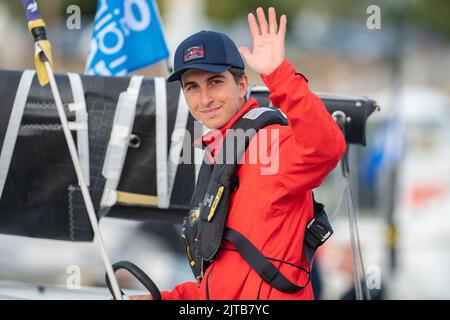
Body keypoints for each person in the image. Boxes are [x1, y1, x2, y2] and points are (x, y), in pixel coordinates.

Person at [131, 7, 346, 300]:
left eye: (215, 82)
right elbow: (223, 282)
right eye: (193, 87)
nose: (205, 98)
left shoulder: (271, 143)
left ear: (242, 84)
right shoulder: (218, 154)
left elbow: (327, 147)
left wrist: (277, 74)